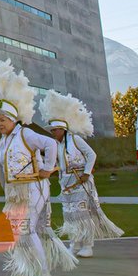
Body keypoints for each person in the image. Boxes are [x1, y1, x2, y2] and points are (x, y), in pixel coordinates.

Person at [0, 60, 76, 276]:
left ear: (13, 120)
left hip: (32, 188)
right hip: (14, 191)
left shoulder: (25, 134)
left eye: (2, 119)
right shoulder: (3, 141)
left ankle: (42, 272)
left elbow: (51, 144)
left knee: (26, 229)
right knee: (17, 232)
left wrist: (46, 169)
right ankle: (26, 270)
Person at [40, 90, 123, 257]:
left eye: (55, 130)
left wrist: (86, 172)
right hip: (66, 182)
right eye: (51, 131)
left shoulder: (75, 140)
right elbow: (57, 163)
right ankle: (75, 244)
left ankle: (88, 245)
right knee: (70, 215)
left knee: (83, 214)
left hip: (81, 181)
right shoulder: (57, 145)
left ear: (62, 129)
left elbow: (91, 155)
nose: (52, 133)